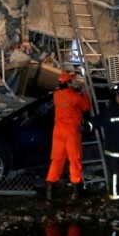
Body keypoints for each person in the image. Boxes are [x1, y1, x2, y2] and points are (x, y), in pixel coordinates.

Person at [46, 72, 92, 200]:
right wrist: (84, 93)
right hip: (71, 131)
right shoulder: (75, 96)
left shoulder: (56, 95)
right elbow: (87, 106)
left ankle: (50, 191)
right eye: (72, 81)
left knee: (57, 160)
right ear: (69, 83)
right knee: (74, 159)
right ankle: (77, 190)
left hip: (58, 131)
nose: (74, 82)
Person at [90, 84, 119, 199]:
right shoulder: (109, 111)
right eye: (118, 96)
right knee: (115, 174)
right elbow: (97, 121)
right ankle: (115, 197)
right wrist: (85, 127)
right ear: (113, 97)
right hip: (113, 150)